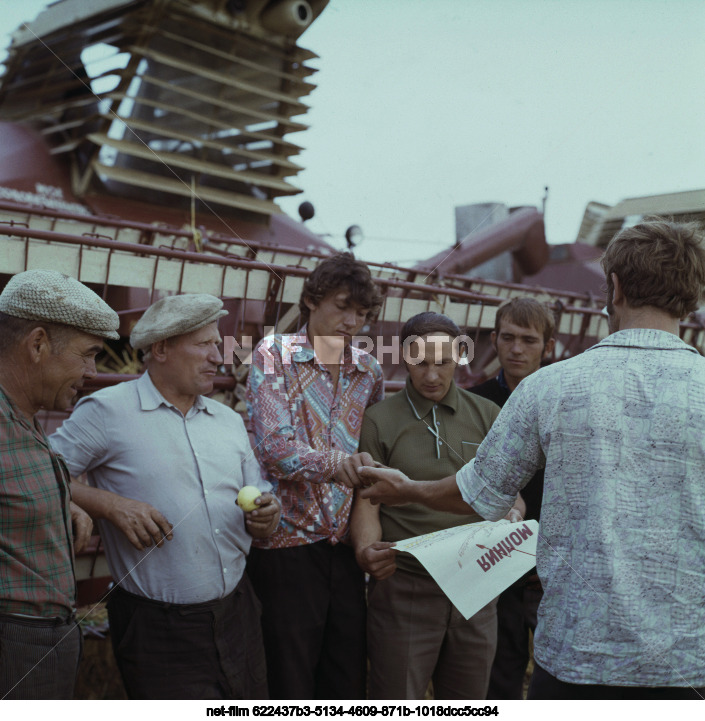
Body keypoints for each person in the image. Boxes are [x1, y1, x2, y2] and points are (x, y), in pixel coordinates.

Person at [358, 219, 705, 699]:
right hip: (686, 662)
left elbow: (480, 492)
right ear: (691, 294)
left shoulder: (551, 386)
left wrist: (409, 491)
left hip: (575, 657)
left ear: (616, 287)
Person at [51, 293, 280, 700]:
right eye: (204, 344)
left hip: (238, 610)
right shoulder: (106, 412)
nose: (218, 357)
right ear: (160, 348)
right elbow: (42, 471)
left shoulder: (228, 420)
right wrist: (109, 504)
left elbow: (258, 491)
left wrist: (268, 511)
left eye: (218, 345)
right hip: (158, 627)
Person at [351, 312, 518, 700]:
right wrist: (364, 549)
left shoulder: (489, 416)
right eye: (420, 363)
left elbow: (511, 493)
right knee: (397, 698)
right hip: (406, 585)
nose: (431, 375)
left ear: (460, 356)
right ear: (404, 359)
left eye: (442, 363)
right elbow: (368, 503)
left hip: (477, 584)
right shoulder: (379, 421)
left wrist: (513, 513)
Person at [246, 252, 384, 699]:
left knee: (344, 681)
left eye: (361, 314)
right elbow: (274, 449)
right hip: (285, 544)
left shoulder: (369, 371)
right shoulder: (274, 355)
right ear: (310, 299)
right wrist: (339, 466)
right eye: (342, 307)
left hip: (343, 546)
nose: (351, 321)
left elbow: (372, 442)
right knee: (289, 680)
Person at [0, 269, 118, 699]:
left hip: (40, 642)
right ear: (37, 344)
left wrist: (59, 501)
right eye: (88, 354)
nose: (92, 371)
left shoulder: (24, 415)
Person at [470, 297, 555, 699]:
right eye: (508, 338)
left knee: (558, 671)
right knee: (500, 666)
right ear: (494, 340)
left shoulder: (565, 399)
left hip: (554, 559)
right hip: (498, 556)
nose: (517, 349)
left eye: (528, 339)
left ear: (548, 346)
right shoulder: (476, 401)